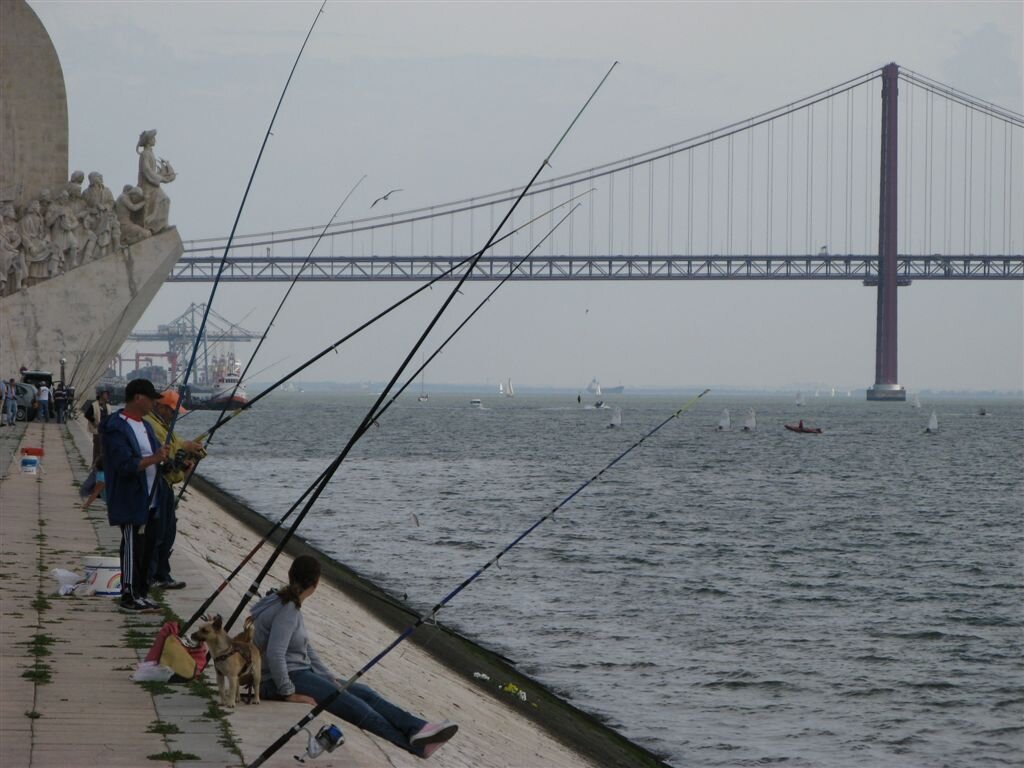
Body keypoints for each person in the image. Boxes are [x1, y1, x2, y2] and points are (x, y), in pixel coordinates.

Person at [251, 556, 459, 759]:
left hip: (300, 673)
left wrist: (327, 676)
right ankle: (416, 746)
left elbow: (304, 648)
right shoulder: (288, 610)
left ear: (290, 576)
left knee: (365, 693)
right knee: (357, 707)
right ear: (316, 583)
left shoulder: (284, 601)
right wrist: (288, 693)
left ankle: (419, 728)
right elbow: (276, 654)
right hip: (282, 679)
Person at [99, 378, 169, 612]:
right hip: (131, 498)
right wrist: (153, 459)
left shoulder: (146, 425)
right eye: (151, 399)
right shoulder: (116, 426)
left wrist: (165, 460)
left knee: (148, 547)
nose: (153, 404)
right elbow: (124, 465)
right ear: (138, 397)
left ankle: (142, 592)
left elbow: (155, 456)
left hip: (152, 498)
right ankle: (128, 595)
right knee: (131, 546)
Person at [144, 390, 206, 590]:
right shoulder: (151, 424)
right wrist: (186, 447)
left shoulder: (164, 425)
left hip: (167, 485)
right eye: (172, 411)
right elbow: (166, 449)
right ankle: (150, 576)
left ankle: (163, 574)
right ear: (160, 407)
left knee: (168, 532)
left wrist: (189, 455)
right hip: (157, 485)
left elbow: (175, 448)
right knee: (157, 533)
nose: (175, 415)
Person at [86, 389, 111, 467]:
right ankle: (95, 465)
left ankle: (102, 465)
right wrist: (94, 422)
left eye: (108, 394)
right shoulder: (94, 405)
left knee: (104, 449)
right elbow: (87, 415)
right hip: (97, 430)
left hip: (106, 430)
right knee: (98, 449)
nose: (107, 396)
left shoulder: (108, 406)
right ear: (101, 395)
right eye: (105, 394)